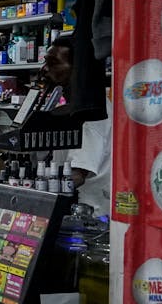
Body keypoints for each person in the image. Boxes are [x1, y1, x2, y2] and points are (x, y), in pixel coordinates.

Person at [41, 34, 112, 215]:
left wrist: (38, 195)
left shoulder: (92, 111)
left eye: (54, 63)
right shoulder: (75, 106)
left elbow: (77, 174)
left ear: (78, 68)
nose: (44, 69)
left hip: (90, 212)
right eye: (46, 61)